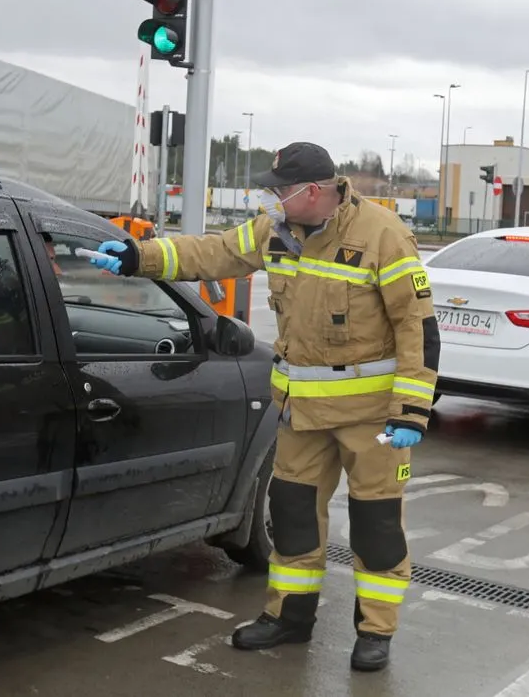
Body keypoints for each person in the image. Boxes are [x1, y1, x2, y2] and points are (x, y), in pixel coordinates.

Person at [88, 141, 439, 672]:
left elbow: (418, 330)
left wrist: (410, 412)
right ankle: (289, 620)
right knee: (293, 517)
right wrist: (142, 258)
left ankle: (376, 632)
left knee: (377, 526)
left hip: (372, 419)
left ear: (313, 192)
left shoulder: (383, 237)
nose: (269, 199)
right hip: (302, 413)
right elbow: (213, 253)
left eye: (279, 191)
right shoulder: (272, 230)